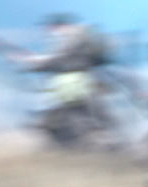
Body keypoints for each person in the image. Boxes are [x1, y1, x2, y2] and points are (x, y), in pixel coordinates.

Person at [8, 13, 117, 147]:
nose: (49, 31)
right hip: (80, 82)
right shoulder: (79, 36)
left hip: (74, 83)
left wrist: (31, 63)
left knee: (83, 116)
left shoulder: (72, 38)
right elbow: (59, 59)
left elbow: (58, 59)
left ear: (59, 25)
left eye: (50, 27)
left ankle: (103, 142)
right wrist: (33, 63)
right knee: (90, 115)